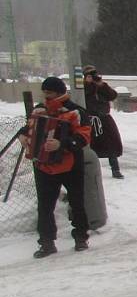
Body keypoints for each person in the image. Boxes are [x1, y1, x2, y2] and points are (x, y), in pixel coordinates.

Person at [20, 77, 92, 258]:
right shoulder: (39, 109)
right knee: (44, 207)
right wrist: (23, 136)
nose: (46, 96)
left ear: (60, 92)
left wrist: (62, 144)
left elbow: (84, 137)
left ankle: (81, 237)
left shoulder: (76, 111)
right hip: (43, 166)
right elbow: (28, 127)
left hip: (71, 165)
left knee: (77, 203)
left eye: (50, 93)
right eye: (45, 92)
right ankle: (46, 242)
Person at [83, 65, 124, 178]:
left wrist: (101, 85)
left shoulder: (101, 86)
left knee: (111, 143)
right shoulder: (83, 87)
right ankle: (90, 170)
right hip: (91, 119)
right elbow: (83, 97)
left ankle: (115, 169)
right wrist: (87, 84)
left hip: (105, 119)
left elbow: (112, 95)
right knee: (90, 145)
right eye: (91, 74)